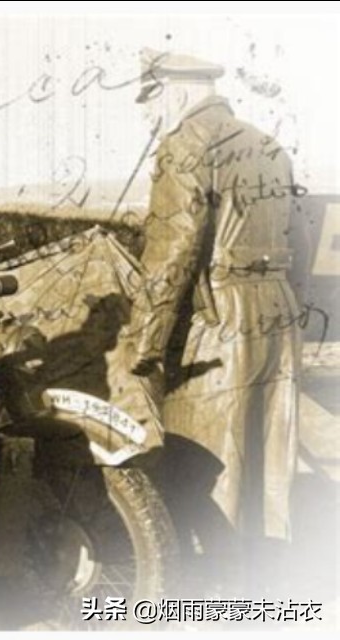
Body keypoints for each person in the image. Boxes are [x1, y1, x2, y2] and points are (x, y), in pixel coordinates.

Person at [128, 49, 301, 589]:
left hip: (219, 319)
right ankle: (261, 584)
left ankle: (212, 596)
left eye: (149, 102)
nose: (148, 117)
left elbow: (172, 253)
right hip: (276, 314)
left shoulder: (184, 145)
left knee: (204, 457)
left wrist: (142, 345)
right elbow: (297, 236)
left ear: (175, 91)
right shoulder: (269, 145)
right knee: (264, 459)